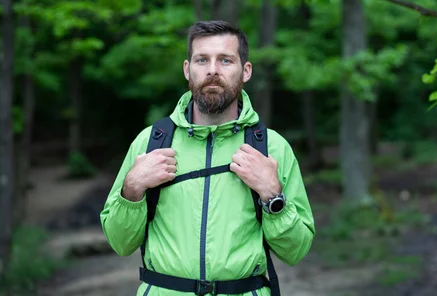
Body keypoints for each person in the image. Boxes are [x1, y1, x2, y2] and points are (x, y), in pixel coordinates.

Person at [100, 20, 315, 296]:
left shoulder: (272, 148)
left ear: (245, 71)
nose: (212, 70)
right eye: (202, 59)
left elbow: (296, 250)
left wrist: (273, 197)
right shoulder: (151, 142)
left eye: (225, 60)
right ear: (188, 70)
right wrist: (131, 190)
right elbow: (120, 243)